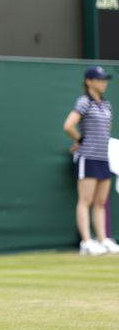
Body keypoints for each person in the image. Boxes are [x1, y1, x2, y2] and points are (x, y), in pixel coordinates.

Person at [63, 66, 119, 256]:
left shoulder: (106, 105)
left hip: (104, 157)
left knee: (101, 201)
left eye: (105, 79)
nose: (104, 83)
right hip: (88, 157)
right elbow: (68, 125)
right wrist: (80, 141)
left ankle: (103, 240)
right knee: (85, 200)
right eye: (100, 79)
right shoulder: (84, 102)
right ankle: (86, 242)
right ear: (89, 82)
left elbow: (106, 130)